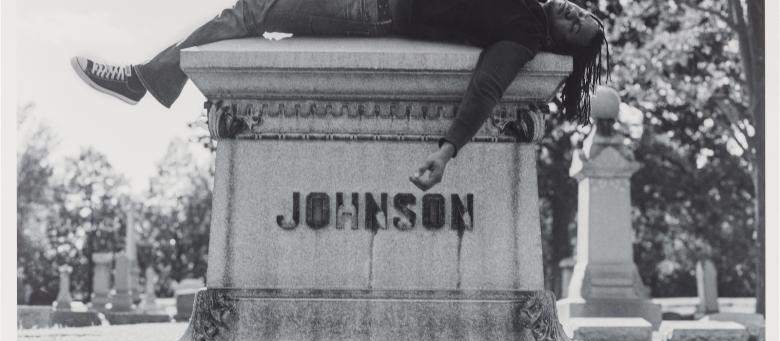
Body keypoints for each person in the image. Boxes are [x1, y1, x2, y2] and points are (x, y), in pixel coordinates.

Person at [71, 0, 608, 191]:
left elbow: (487, 89)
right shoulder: (531, 5)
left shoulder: (521, 37)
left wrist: (446, 152)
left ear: (563, 46)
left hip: (377, 11)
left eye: (577, 30)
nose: (574, 17)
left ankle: (145, 80)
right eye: (583, 13)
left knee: (255, 11)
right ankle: (147, 80)